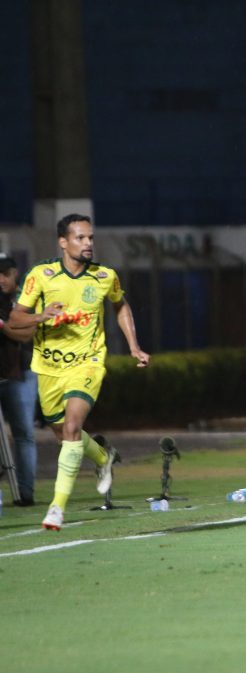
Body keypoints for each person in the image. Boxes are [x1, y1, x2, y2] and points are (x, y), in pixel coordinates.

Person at [8, 213, 150, 531]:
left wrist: (133, 346)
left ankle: (57, 508)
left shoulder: (103, 276)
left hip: (88, 363)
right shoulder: (41, 276)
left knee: (72, 427)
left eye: (90, 238)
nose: (88, 244)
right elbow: (16, 319)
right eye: (80, 238)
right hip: (48, 368)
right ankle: (103, 457)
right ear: (63, 242)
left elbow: (120, 305)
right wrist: (41, 316)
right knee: (62, 434)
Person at [0, 256, 39, 506]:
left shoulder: (28, 299)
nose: (1, 279)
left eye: (5, 274)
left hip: (23, 374)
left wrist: (3, 327)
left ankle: (26, 493)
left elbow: (27, 334)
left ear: (15, 273)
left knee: (24, 433)